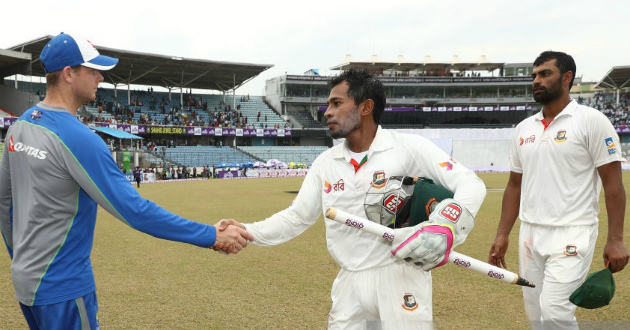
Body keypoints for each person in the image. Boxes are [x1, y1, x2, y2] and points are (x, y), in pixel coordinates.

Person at [0, 33, 253, 330]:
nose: (100, 78)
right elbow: (134, 210)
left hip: (28, 283)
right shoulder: (78, 138)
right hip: (63, 287)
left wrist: (23, 260)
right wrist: (210, 235)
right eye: (93, 70)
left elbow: (6, 204)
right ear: (69, 74)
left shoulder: (20, 126)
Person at [216, 69, 486, 329]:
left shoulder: (409, 148)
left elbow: (470, 183)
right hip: (349, 283)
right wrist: (247, 230)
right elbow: (297, 217)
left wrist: (446, 225)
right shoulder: (325, 163)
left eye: (336, 103)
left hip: (401, 277)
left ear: (365, 107)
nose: (327, 112)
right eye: (328, 104)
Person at [488, 51, 629, 330]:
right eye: (534, 75)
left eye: (544, 74)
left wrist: (616, 239)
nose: (536, 80)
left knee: (555, 312)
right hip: (530, 234)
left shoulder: (591, 121)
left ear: (567, 78)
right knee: (535, 315)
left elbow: (613, 184)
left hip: (573, 231)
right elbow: (514, 185)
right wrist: (502, 234)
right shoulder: (523, 128)